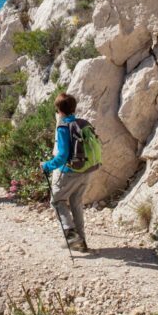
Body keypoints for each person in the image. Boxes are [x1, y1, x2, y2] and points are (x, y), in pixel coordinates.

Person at [40, 92, 95, 252]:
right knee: (76, 203)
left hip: (70, 172)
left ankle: (71, 236)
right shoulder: (83, 123)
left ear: (59, 110)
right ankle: (82, 241)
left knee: (57, 201)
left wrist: (47, 165)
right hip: (86, 170)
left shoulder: (63, 127)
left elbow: (63, 155)